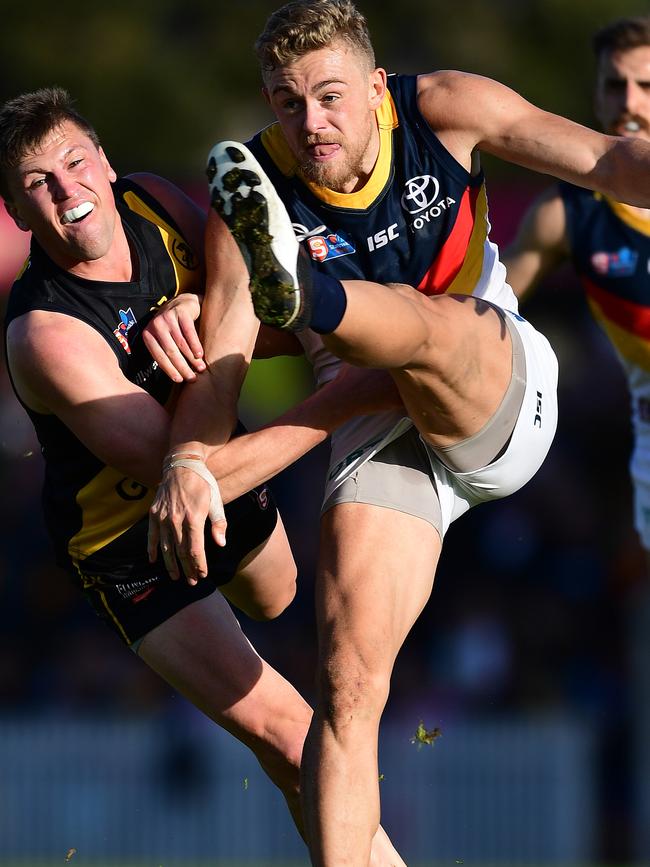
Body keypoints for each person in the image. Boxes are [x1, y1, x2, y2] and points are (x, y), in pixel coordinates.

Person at [147, 2, 650, 865]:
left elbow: (607, 158)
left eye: (331, 97)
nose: (311, 124)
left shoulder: (445, 107)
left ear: (378, 87)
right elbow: (220, 374)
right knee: (346, 685)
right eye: (287, 102)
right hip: (379, 426)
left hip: (492, 382)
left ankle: (310, 297)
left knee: (427, 326)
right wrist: (189, 457)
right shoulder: (250, 192)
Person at [0, 86, 408, 866]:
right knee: (294, 740)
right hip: (128, 537)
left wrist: (191, 304)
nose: (67, 191)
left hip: (222, 456)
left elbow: (244, 304)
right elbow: (184, 469)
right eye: (37, 185)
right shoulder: (46, 333)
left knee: (279, 597)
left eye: (74, 163)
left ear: (105, 161)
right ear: (18, 214)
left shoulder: (151, 198)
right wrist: (345, 397)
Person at [502, 14, 650, 571]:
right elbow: (486, 306)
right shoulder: (566, 214)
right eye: (615, 85)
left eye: (645, 86)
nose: (629, 102)